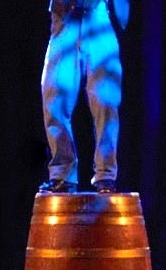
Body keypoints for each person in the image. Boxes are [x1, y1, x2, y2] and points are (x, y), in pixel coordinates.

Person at [38, 0, 129, 193]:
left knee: (106, 101)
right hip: (63, 16)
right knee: (54, 98)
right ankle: (62, 174)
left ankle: (106, 176)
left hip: (98, 15)